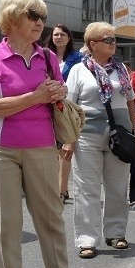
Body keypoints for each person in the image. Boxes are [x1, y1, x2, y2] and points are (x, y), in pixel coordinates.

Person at [0, 0, 77, 268]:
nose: (40, 22)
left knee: (50, 215)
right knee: (5, 221)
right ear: (12, 18)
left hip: (41, 145)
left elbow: (57, 96)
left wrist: (58, 94)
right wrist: (35, 97)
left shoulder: (48, 58)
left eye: (42, 17)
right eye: (32, 15)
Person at [65, 21, 135, 258]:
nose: (113, 43)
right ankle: (87, 239)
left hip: (120, 136)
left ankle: (116, 233)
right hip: (86, 137)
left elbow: (130, 101)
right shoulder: (78, 70)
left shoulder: (121, 69)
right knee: (87, 189)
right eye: (108, 39)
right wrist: (69, 138)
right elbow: (69, 106)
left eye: (114, 39)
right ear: (92, 44)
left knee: (117, 188)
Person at [44, 23, 83, 202]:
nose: (59, 37)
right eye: (56, 34)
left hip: (67, 107)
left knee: (65, 149)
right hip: (45, 105)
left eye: (62, 34)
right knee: (49, 149)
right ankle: (51, 187)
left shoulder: (78, 58)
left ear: (69, 38)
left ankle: (63, 189)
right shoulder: (44, 55)